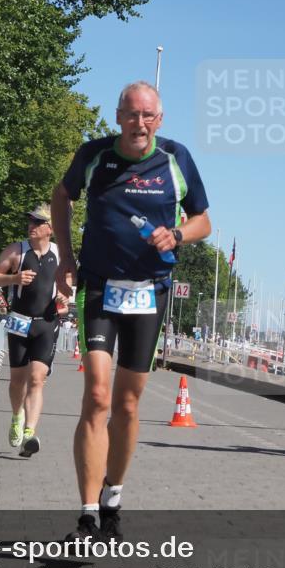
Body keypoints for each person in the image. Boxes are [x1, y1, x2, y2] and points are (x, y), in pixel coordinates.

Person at [52, 81, 211, 542]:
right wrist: (66, 257)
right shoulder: (94, 155)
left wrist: (178, 235)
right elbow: (62, 197)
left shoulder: (176, 159)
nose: (139, 124)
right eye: (131, 115)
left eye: (148, 116)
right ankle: (85, 516)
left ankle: (113, 498)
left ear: (159, 120)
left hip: (150, 292)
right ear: (118, 116)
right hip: (100, 288)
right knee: (98, 396)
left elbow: (203, 220)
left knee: (126, 402)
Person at [0, 204, 68, 458]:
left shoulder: (61, 253)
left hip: (47, 323)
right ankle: (16, 417)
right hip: (20, 321)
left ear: (50, 229)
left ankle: (29, 433)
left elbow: (66, 287)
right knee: (17, 381)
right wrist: (14, 279)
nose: (31, 227)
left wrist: (64, 301)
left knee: (37, 379)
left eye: (37, 223)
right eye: (30, 222)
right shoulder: (17, 250)